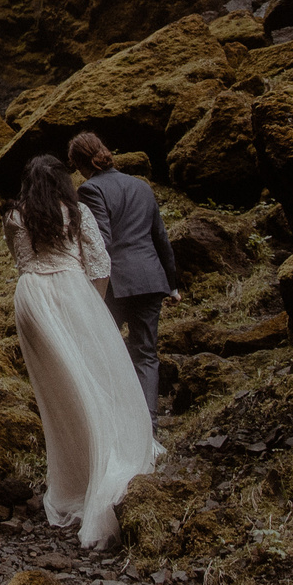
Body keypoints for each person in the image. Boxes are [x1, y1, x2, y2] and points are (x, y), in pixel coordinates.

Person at [3, 151, 164, 548]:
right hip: (74, 292)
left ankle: (75, 474)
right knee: (90, 376)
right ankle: (102, 459)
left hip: (32, 297)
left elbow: (20, 259)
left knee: (59, 390)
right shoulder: (77, 213)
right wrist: (96, 308)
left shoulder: (14, 216)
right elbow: (99, 264)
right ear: (62, 182)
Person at [71, 131, 181, 421]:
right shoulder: (141, 186)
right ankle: (149, 421)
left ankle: (108, 415)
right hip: (151, 279)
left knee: (99, 346)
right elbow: (161, 237)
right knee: (146, 352)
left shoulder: (90, 190)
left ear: (80, 164)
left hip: (117, 284)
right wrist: (172, 285)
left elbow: (100, 240)